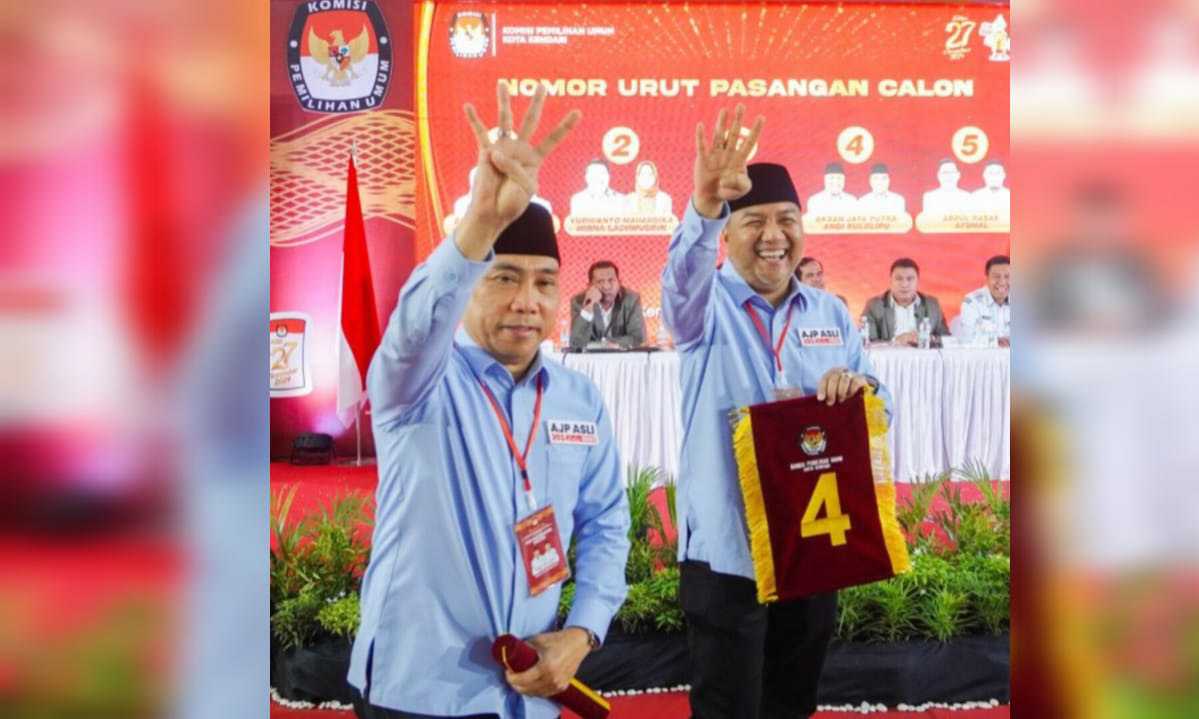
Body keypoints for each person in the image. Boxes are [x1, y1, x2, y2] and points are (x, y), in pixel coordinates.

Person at [348, 83, 629, 719]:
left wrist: (582, 633)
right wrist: (479, 222)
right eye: (504, 278)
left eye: (545, 283)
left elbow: (607, 522)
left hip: (531, 692)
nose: (527, 301)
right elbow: (415, 325)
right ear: (471, 285)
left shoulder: (579, 399)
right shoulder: (417, 381)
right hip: (420, 692)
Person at [661, 105, 891, 719]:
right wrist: (704, 204)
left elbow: (881, 406)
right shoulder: (702, 309)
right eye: (755, 221)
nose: (774, 235)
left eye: (787, 219)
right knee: (728, 706)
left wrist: (861, 390)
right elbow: (680, 281)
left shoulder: (829, 312)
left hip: (812, 543)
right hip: (727, 549)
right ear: (726, 234)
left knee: (792, 702)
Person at [860, 257, 950, 345]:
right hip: (889, 354)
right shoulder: (874, 306)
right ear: (890, 281)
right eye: (899, 279)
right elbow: (867, 344)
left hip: (923, 354)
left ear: (918, 281)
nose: (904, 284)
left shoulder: (932, 305)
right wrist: (895, 341)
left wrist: (928, 339)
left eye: (910, 279)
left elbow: (946, 340)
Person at [569, 260, 648, 348]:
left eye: (611, 280)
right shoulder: (578, 301)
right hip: (591, 356)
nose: (606, 287)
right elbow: (575, 343)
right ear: (589, 286)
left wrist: (603, 344)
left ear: (619, 283)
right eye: (600, 282)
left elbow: (639, 338)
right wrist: (588, 307)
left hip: (622, 354)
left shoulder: (631, 299)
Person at [960, 254, 1011, 345]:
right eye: (996, 276)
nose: (1002, 282)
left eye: (1007, 276)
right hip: (982, 354)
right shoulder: (971, 302)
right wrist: (997, 342)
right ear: (986, 278)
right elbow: (967, 339)